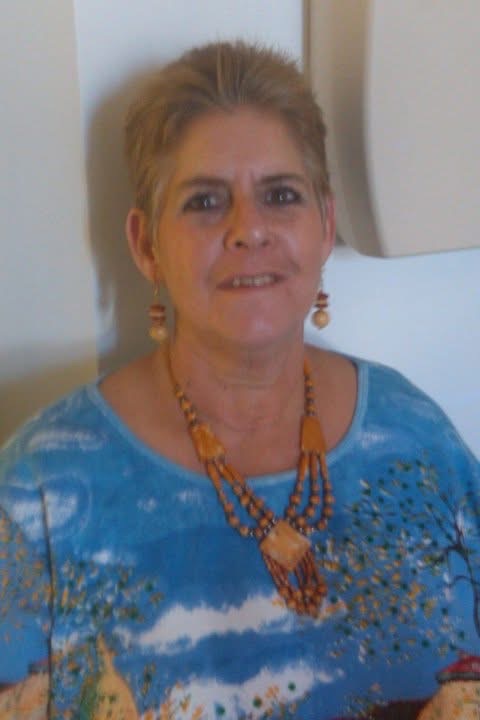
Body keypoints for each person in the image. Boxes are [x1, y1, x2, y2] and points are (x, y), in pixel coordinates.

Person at [0, 40, 479, 720]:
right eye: (205, 201)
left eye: (281, 195)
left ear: (325, 225)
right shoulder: (41, 490)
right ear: (145, 245)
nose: (249, 230)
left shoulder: (417, 437)